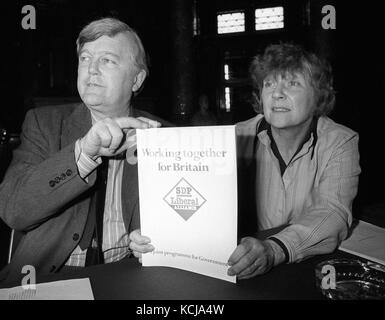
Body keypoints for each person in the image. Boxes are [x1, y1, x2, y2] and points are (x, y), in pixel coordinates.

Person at [130, 43, 361, 280]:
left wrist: (275, 249)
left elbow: (333, 211)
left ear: (318, 96)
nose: (277, 93)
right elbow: (192, 196)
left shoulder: (340, 141)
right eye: (269, 84)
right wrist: (159, 233)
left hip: (308, 268)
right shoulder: (235, 137)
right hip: (244, 267)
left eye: (292, 83)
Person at [0, 17, 168, 285]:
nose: (91, 70)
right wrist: (84, 154)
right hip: (47, 277)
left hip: (131, 275)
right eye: (85, 59)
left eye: (107, 60)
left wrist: (161, 239)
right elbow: (13, 209)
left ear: (136, 79)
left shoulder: (163, 135)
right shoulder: (45, 124)